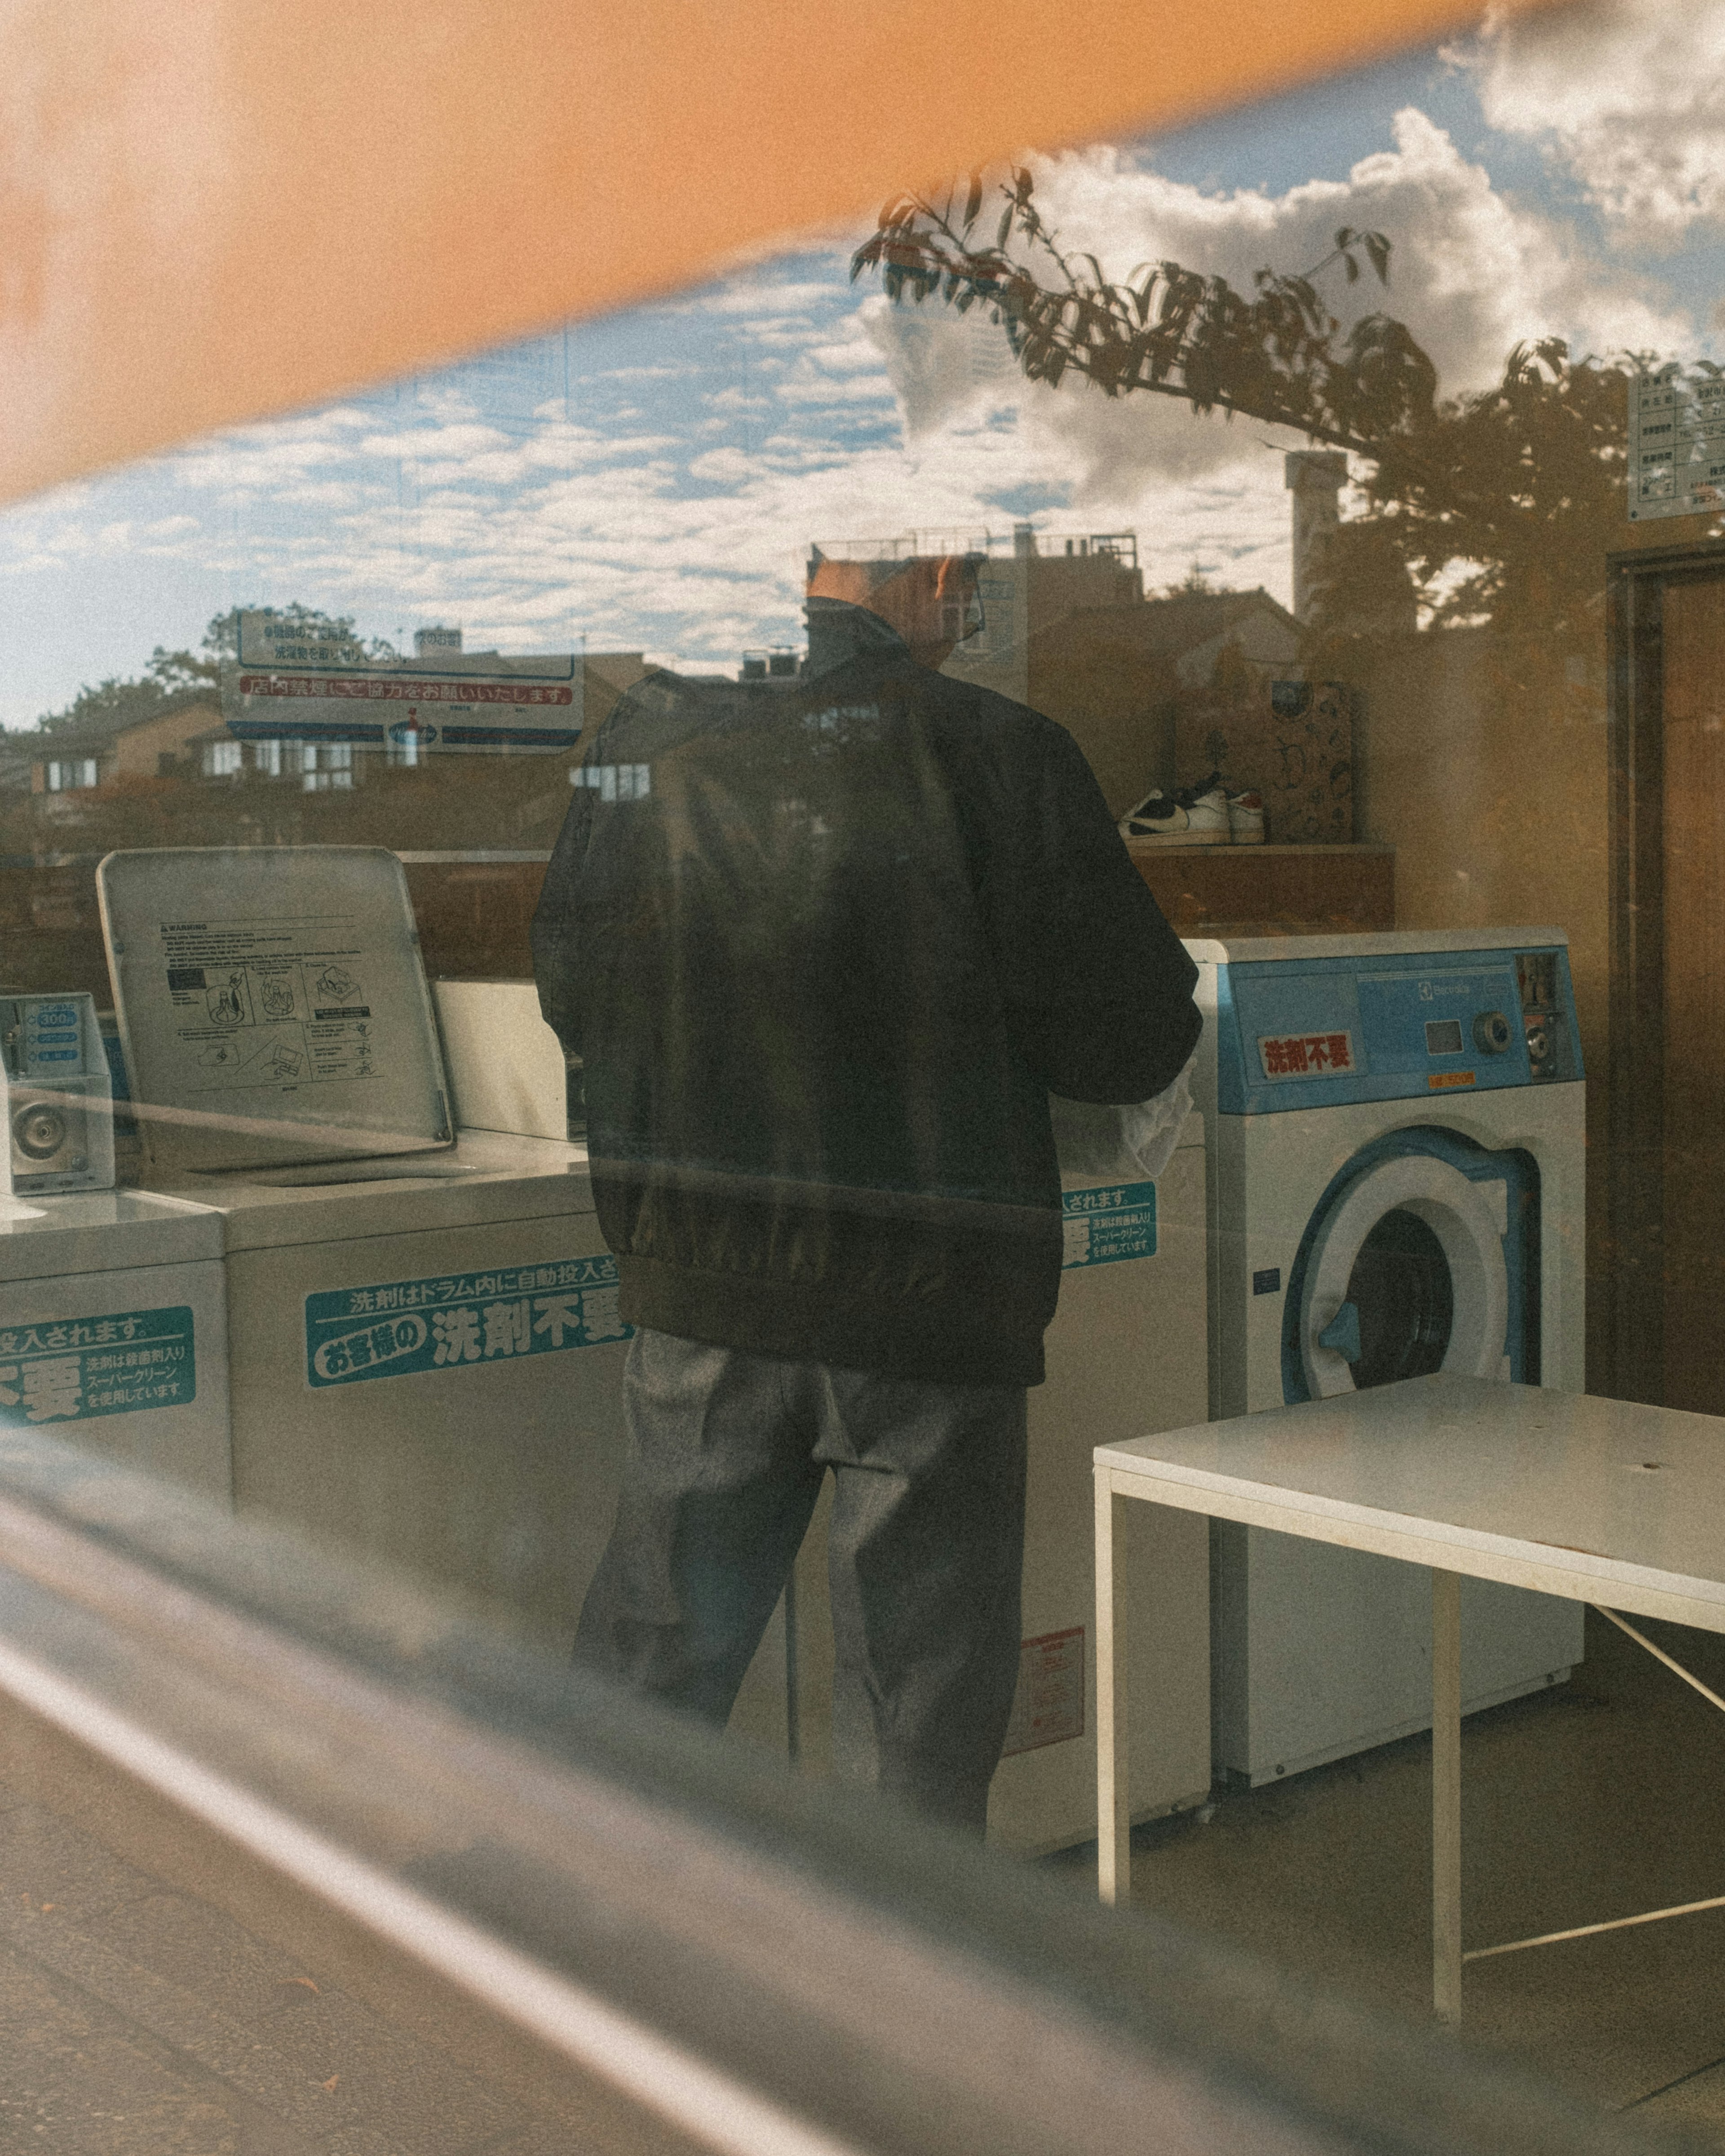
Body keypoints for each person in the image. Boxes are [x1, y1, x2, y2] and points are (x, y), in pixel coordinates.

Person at [531, 546, 1201, 1833]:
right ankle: (896, 1989)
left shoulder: (651, 741)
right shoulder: (998, 752)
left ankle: (585, 1947)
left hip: (703, 1277)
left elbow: (573, 987)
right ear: (936, 573)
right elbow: (1128, 1035)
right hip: (930, 1301)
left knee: (655, 1656)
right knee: (919, 1702)